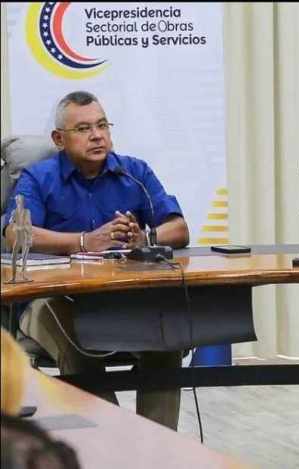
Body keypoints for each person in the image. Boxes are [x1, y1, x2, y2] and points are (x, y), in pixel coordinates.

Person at [1, 91, 190, 430]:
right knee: (76, 342)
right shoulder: (38, 178)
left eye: (102, 126)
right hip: (51, 299)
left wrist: (145, 239)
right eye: (84, 129)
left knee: (166, 342)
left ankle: (157, 445)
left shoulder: (134, 172)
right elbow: (16, 233)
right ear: (59, 139)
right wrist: (84, 241)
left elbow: (179, 228)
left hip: (121, 299)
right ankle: (114, 442)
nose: (97, 136)